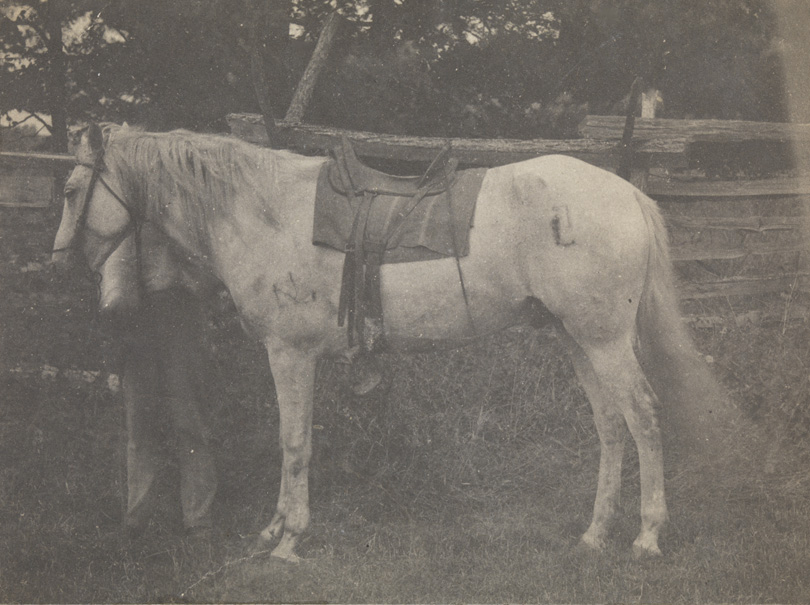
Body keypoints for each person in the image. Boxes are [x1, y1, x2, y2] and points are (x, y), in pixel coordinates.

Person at [98, 224, 221, 544]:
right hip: (138, 331)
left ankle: (199, 526)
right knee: (140, 429)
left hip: (181, 325)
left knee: (191, 426)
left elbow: (207, 271)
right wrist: (118, 353)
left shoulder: (182, 211)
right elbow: (114, 288)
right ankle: (135, 523)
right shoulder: (126, 219)